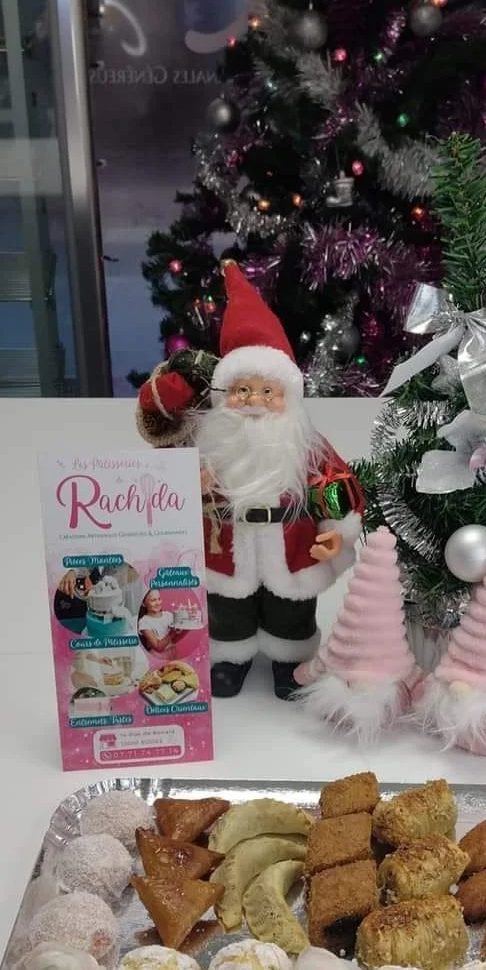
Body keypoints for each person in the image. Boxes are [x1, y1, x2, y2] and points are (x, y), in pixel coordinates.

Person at [137, 261, 364, 699]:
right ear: (226, 395)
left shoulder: (306, 445)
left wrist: (336, 531)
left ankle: (290, 660)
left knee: (291, 610)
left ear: (288, 397)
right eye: (243, 390)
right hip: (225, 547)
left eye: (267, 391)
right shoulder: (209, 444)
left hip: (292, 547)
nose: (254, 400)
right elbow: (163, 478)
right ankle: (230, 659)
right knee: (227, 610)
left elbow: (334, 482)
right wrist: (191, 482)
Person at [138, 589, 176, 654]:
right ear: (143, 603)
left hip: (173, 654)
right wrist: (172, 632)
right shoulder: (144, 622)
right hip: (158, 656)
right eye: (153, 600)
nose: (158, 603)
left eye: (159, 599)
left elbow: (175, 639)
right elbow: (158, 647)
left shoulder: (168, 615)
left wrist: (184, 628)